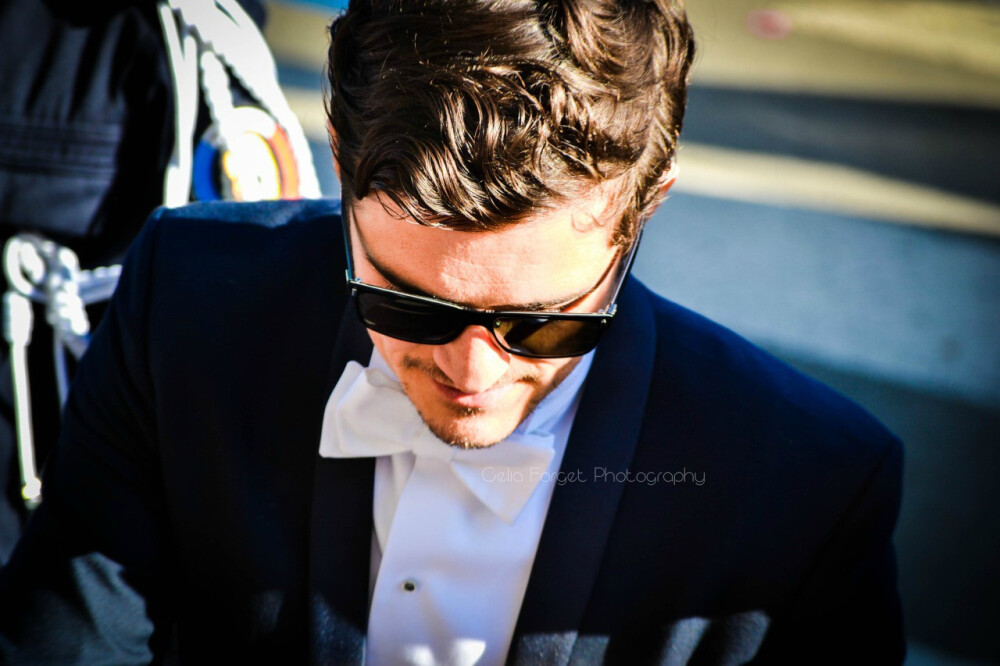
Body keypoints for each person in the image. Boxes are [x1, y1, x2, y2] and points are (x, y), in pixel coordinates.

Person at [0, 0, 906, 663]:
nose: (472, 370)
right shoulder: (184, 306)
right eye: (406, 304)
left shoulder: (808, 487)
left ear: (642, 210)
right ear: (343, 162)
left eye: (541, 323)